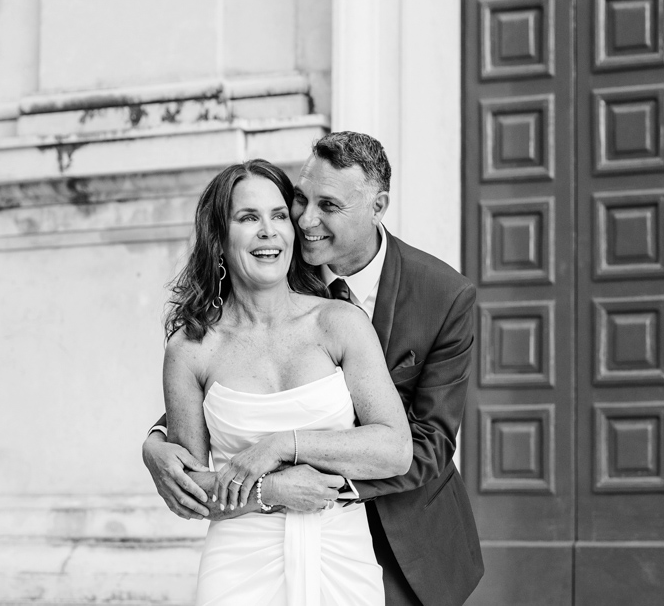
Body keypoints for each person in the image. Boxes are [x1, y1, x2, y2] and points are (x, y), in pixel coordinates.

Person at [145, 132, 484, 606]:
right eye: (299, 201)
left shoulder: (441, 298)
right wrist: (158, 442)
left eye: (327, 206)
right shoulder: (255, 291)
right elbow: (224, 401)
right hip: (246, 558)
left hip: (400, 537)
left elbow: (423, 444)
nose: (303, 222)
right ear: (220, 240)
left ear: (377, 207)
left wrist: (296, 461)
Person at [162, 158, 413, 605]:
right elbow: (190, 490)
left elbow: (394, 449)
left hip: (340, 557)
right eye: (248, 218)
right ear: (219, 239)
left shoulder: (339, 323)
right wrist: (271, 491)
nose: (268, 230)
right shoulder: (192, 348)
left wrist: (283, 444)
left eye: (279, 216)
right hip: (240, 567)